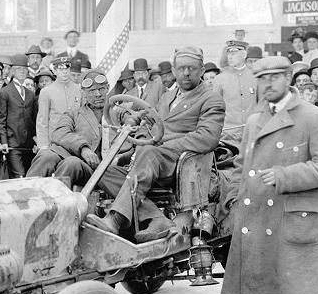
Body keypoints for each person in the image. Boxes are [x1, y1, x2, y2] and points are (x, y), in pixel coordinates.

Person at [218, 55, 318, 294]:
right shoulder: (256, 118)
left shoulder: (315, 117)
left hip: (294, 212)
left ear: (288, 78)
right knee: (266, 277)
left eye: (273, 78)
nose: (267, 84)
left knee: (299, 285)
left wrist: (285, 175)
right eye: (262, 79)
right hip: (259, 211)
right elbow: (244, 163)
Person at [87, 46, 224, 243]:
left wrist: (161, 145)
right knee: (102, 171)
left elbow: (208, 137)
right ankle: (157, 218)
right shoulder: (167, 96)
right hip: (152, 161)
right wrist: (140, 134)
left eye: (192, 68)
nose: (186, 73)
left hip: (181, 165)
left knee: (149, 152)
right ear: (174, 71)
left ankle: (115, 219)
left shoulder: (211, 99)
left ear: (202, 71)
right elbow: (151, 123)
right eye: (182, 68)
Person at [27, 70, 108, 186]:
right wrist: (83, 148)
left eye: (101, 89)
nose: (98, 94)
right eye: (92, 91)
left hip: (96, 169)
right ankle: (27, 194)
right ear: (83, 93)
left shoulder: (118, 111)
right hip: (73, 155)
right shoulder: (74, 113)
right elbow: (59, 133)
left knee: (71, 163)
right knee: (46, 156)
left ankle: (55, 199)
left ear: (108, 88)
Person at [0, 55, 37, 178]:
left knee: (30, 176)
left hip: (28, 145)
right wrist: (4, 141)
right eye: (19, 69)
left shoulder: (30, 94)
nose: (22, 72)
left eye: (25, 69)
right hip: (12, 143)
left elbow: (34, 120)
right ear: (13, 71)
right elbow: (0, 119)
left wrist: (35, 140)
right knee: (20, 175)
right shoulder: (4, 92)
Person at [211, 40, 257, 151]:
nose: (230, 57)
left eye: (234, 53)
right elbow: (215, 109)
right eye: (229, 53)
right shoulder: (220, 79)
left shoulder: (256, 77)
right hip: (228, 137)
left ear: (244, 54)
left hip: (253, 134)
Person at [36, 56, 82, 151]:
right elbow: (42, 121)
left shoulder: (79, 89)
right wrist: (43, 145)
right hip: (55, 141)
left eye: (67, 68)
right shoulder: (47, 91)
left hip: (76, 140)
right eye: (61, 69)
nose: (65, 71)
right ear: (55, 71)